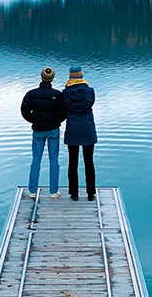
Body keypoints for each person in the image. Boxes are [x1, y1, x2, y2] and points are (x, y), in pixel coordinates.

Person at [21, 67, 66, 199]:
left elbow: (24, 111)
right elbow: (63, 114)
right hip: (53, 130)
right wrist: (56, 121)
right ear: (52, 78)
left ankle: (32, 191)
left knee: (36, 159)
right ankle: (53, 192)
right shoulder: (58, 95)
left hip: (38, 131)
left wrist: (34, 120)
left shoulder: (31, 94)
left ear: (41, 77)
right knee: (54, 160)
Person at [62, 65, 97, 201]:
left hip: (72, 129)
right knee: (89, 162)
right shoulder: (90, 91)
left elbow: (64, 111)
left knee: (73, 162)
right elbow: (90, 104)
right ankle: (90, 193)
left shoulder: (65, 93)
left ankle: (74, 193)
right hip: (87, 129)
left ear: (70, 76)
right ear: (81, 76)